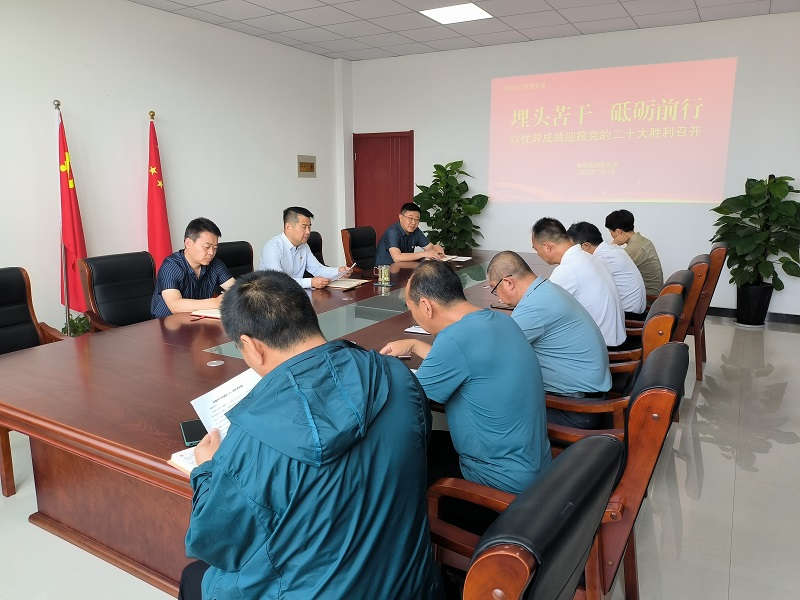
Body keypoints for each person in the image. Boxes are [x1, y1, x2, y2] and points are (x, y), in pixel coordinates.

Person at [180, 271, 442, 600]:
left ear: (251, 347)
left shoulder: (255, 435)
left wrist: (206, 470)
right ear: (309, 316)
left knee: (198, 577)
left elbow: (217, 543)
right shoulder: (396, 375)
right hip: (408, 584)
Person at [380, 261, 551, 495]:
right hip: (534, 468)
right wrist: (414, 344)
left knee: (393, 462)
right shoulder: (501, 320)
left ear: (426, 306)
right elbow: (467, 361)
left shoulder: (454, 339)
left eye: (411, 309)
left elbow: (408, 401)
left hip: (495, 483)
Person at [487, 251, 612, 429]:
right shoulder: (546, 289)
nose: (498, 298)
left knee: (489, 410)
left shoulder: (534, 306)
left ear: (508, 282)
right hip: (587, 396)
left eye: (494, 289)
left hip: (576, 409)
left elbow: (495, 352)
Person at [532, 217, 626, 347]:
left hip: (603, 348)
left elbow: (540, 312)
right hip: (614, 338)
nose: (537, 254)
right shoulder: (587, 257)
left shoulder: (567, 269)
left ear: (547, 247)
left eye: (536, 249)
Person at [151, 217, 235, 318]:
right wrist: (216, 302)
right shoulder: (171, 266)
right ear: (188, 243)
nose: (211, 253)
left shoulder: (215, 264)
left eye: (215, 248)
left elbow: (238, 290)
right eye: (207, 247)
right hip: (166, 323)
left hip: (197, 321)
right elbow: (175, 305)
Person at [567, 221, 647, 317]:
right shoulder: (611, 250)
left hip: (629, 315)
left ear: (586, 245)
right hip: (635, 310)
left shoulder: (601, 258)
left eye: (572, 248)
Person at [260, 207, 352, 289]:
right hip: (271, 296)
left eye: (309, 227)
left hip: (295, 293)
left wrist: (339, 271)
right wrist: (310, 282)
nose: (308, 232)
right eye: (304, 227)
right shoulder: (272, 247)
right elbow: (279, 280)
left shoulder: (303, 245)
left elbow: (317, 269)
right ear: (288, 227)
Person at [605, 209, 664, 297]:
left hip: (649, 297)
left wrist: (613, 244)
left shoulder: (634, 249)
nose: (612, 236)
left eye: (611, 232)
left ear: (618, 232)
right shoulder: (642, 241)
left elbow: (608, 270)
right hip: (653, 293)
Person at [375, 202, 445, 265]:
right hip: (385, 270)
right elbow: (397, 257)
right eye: (410, 218)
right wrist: (424, 254)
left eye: (417, 219)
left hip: (404, 267)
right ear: (400, 217)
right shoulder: (393, 232)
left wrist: (436, 248)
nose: (413, 222)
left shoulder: (416, 231)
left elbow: (429, 247)